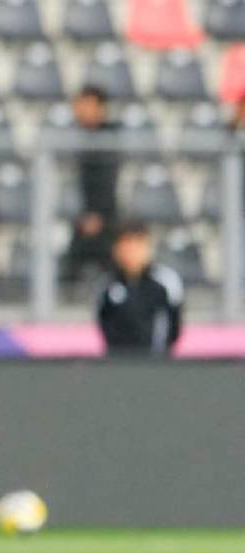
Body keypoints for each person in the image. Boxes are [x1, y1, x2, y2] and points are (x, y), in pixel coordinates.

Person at [97, 221, 183, 357]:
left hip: (156, 365)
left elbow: (173, 327)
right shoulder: (107, 284)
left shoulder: (165, 281)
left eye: (137, 244)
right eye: (125, 244)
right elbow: (103, 324)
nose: (131, 251)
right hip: (116, 366)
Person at [63, 85, 120, 286]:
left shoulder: (110, 139)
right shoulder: (80, 138)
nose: (80, 110)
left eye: (86, 105)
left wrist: (97, 214)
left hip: (105, 217)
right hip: (86, 215)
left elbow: (109, 181)